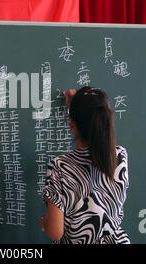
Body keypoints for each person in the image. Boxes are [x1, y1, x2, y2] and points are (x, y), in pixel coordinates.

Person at [39, 86, 130, 244]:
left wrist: (44, 222)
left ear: (72, 123)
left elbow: (55, 232)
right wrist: (75, 112)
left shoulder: (59, 166)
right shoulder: (120, 156)